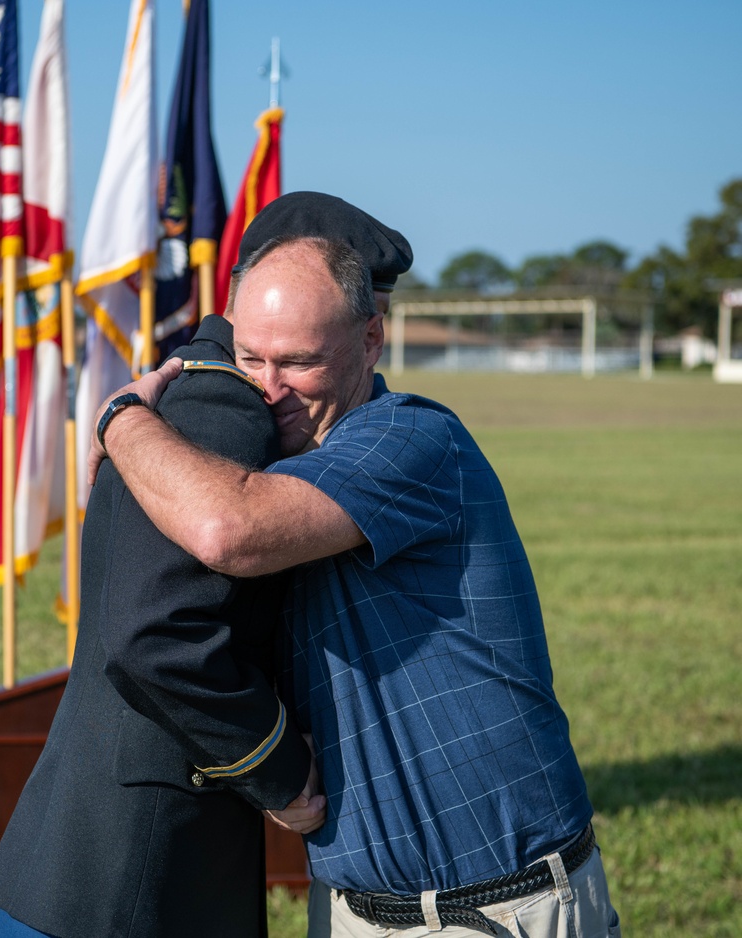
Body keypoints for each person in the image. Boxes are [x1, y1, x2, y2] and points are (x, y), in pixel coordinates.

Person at [88, 203, 621, 936]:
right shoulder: (282, 461)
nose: (270, 389)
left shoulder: (411, 438)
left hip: (499, 908)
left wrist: (121, 418)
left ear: (372, 337)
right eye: (251, 359)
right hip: (351, 913)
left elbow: (227, 527)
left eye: (300, 361)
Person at [0, 311, 316, 938]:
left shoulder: (175, 390)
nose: (276, 383)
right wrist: (281, 771)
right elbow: (160, 635)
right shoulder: (228, 406)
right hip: (134, 877)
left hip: (78, 868)